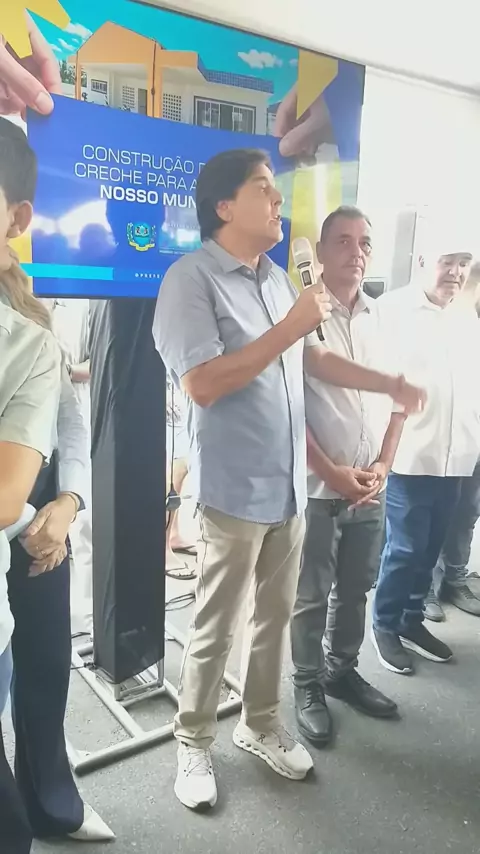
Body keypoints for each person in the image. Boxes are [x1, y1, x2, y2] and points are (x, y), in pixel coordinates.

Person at [153, 148, 425, 811]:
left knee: (274, 620)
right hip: (231, 489)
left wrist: (387, 383)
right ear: (224, 206)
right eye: (264, 190)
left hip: (288, 488)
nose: (279, 202)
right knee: (216, 625)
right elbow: (203, 383)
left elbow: (313, 358)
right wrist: (292, 326)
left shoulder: (278, 279)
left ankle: (260, 723)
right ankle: (193, 740)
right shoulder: (190, 280)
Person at [0, 116, 114, 843]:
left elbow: (71, 424)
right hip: (17, 512)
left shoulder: (32, 314)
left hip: (41, 515)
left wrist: (67, 506)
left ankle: (52, 801)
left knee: (45, 667)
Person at [291, 207, 402, 747]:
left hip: (370, 487)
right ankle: (307, 684)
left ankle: (341, 670)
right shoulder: (302, 315)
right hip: (319, 488)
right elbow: (290, 410)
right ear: (321, 250)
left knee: (355, 588)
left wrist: (383, 465)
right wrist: (331, 471)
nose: (356, 252)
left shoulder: (383, 318)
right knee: (311, 594)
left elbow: (399, 403)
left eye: (365, 243)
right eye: (343, 241)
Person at [372, 227, 480, 674]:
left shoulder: (466, 316)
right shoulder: (392, 310)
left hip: (457, 456)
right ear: (422, 262)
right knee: (405, 547)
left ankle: (411, 619)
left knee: (432, 545)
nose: (455, 271)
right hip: (411, 453)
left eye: (463, 263)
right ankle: (384, 624)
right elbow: (376, 382)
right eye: (446, 261)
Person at [425, 263, 480, 621]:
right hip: (446, 430)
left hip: (476, 430)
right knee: (434, 512)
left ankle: (454, 579)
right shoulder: (453, 312)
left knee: (467, 510)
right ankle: (424, 587)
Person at [47, 297, 93, 636]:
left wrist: (62, 371)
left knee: (84, 527)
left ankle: (89, 618)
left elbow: (102, 359)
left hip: (81, 407)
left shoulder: (84, 304)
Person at [165, 375, 196, 580]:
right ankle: (161, 548)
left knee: (182, 466)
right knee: (169, 473)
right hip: (159, 392)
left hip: (178, 389)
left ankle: (173, 535)